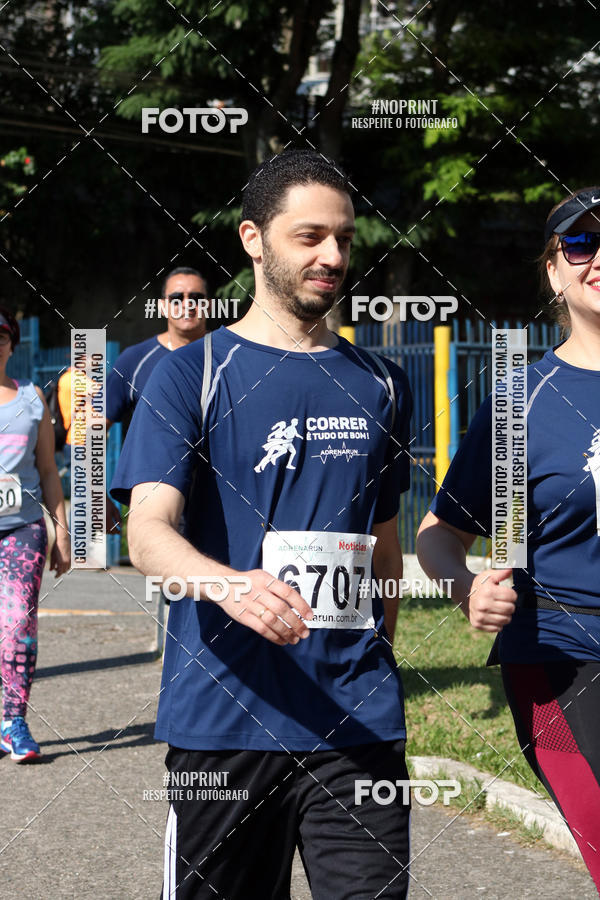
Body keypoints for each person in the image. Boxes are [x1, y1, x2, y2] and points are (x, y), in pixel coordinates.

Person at [111, 150, 414, 899]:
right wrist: (228, 586)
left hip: (357, 723)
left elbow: (383, 547)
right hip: (226, 719)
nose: (333, 256)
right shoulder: (193, 374)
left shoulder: (381, 383)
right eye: (309, 237)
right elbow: (146, 531)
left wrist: (381, 658)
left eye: (343, 238)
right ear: (253, 239)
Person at [416, 187, 600, 890]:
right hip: (560, 660)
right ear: (554, 270)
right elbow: (442, 533)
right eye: (580, 244)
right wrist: (465, 588)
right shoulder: (521, 401)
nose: (597, 257)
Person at [0, 306, 70, 762]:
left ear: (10, 344)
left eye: (1, 337)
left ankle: (12, 721)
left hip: (22, 529)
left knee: (17, 623)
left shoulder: (31, 398)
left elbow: (48, 470)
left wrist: (61, 530)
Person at [105, 267, 208, 535]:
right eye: (177, 298)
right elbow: (90, 429)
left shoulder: (230, 355)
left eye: (196, 297)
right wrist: (93, 498)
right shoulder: (135, 360)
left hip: (225, 508)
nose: (187, 304)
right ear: (163, 307)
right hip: (161, 511)